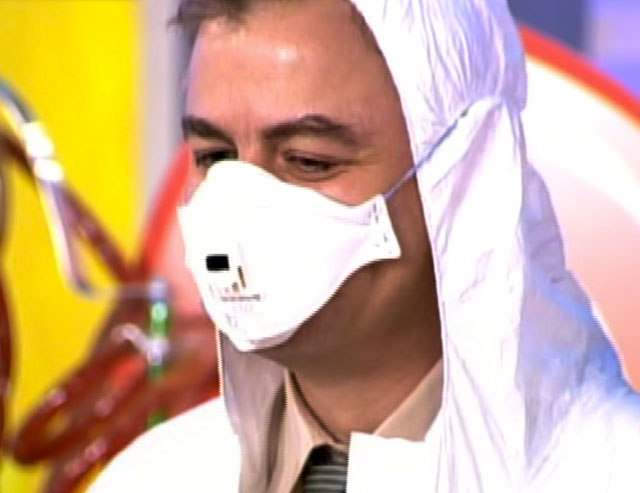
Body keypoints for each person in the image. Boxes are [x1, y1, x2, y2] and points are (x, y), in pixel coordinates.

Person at [91, 0, 640, 491]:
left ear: (462, 178)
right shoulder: (150, 479)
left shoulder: (613, 471)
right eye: (214, 157)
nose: (237, 204)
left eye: (309, 160)